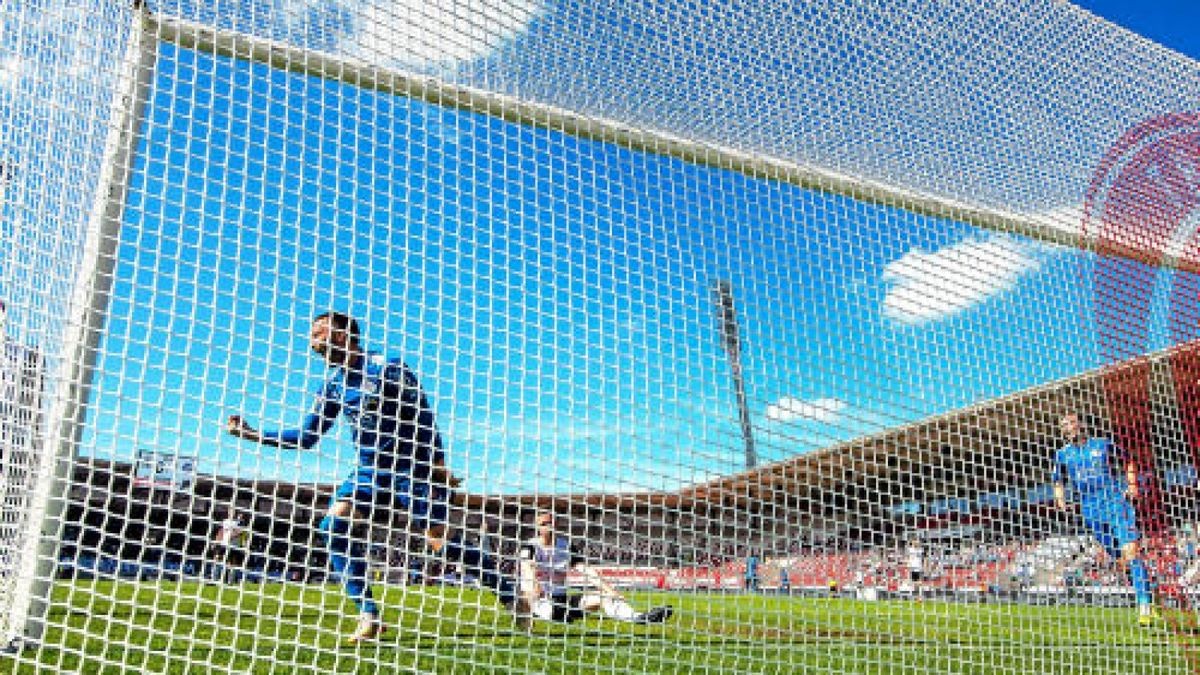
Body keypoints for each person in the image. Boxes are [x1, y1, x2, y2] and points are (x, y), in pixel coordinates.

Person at [226, 311, 518, 642]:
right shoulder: (333, 385)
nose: (311, 344)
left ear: (340, 334)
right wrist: (252, 435)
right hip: (369, 470)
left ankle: (509, 595)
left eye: (316, 334)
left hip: (412, 467)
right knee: (333, 526)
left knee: (442, 544)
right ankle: (369, 615)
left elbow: (423, 415)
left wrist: (439, 465)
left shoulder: (387, 366)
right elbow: (307, 437)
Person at [1053, 412, 1157, 626]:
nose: (1069, 427)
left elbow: (1128, 460)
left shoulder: (1102, 445)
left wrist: (1132, 486)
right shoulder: (1062, 455)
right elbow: (1057, 481)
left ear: (1081, 424)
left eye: (1072, 422)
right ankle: (1148, 590)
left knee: (1132, 552)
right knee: (1123, 560)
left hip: (1117, 504)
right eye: (1065, 424)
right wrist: (1061, 501)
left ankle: (1144, 607)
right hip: (1091, 511)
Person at [516, 512, 673, 626]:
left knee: (604, 597)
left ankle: (641, 617)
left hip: (562, 600)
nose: (549, 526)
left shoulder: (566, 546)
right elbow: (528, 566)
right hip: (538, 601)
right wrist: (535, 584)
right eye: (544, 524)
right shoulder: (530, 546)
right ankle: (530, 616)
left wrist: (610, 590)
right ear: (537, 527)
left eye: (551, 522)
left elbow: (587, 571)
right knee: (537, 602)